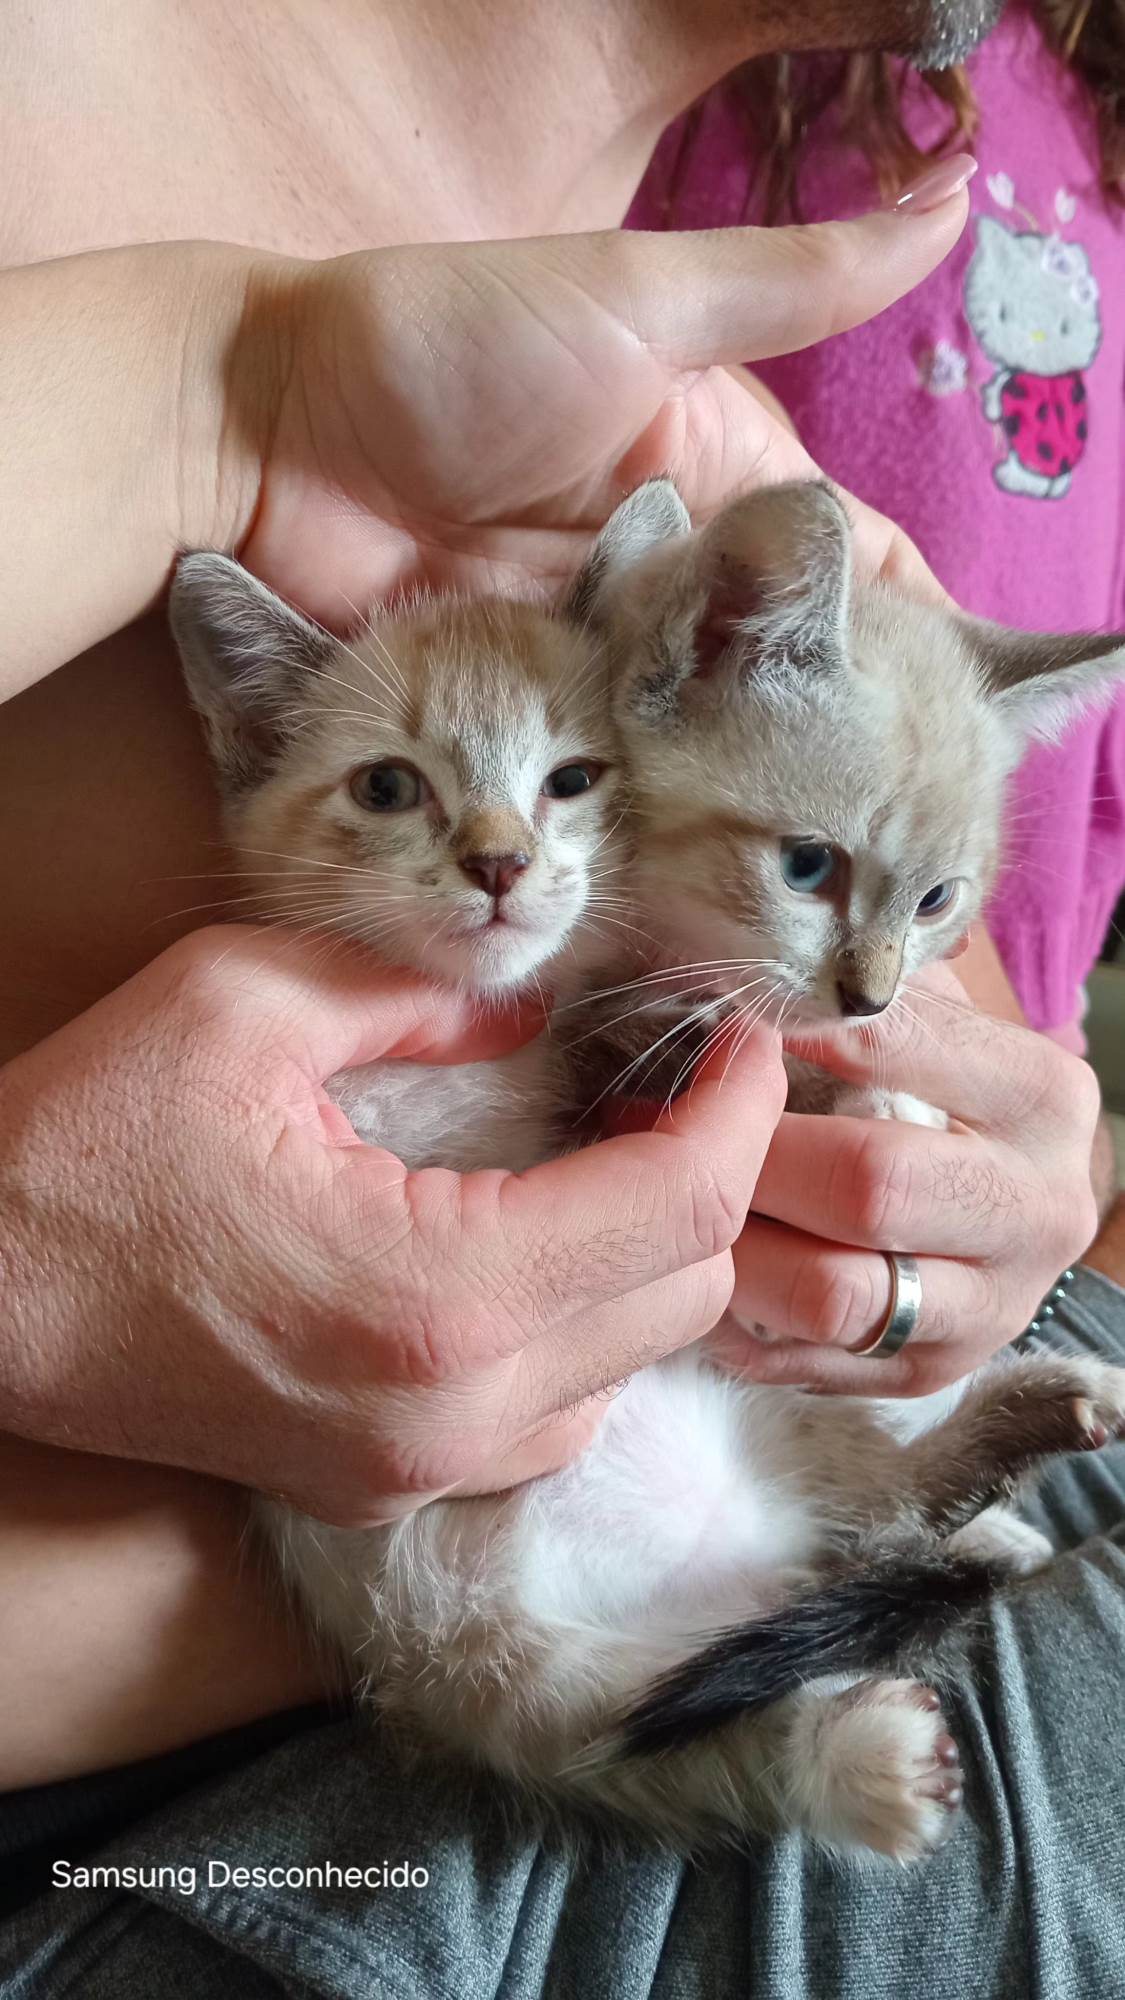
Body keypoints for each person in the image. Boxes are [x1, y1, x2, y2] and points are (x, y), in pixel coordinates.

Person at [0, 0, 1117, 1990]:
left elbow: (866, 954)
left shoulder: (738, 307)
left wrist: (1000, 1170)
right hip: (323, 1772)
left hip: (819, 1477)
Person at [628, 0, 1125, 1053]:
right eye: (810, 865)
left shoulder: (1084, 82)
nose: (873, 981)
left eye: (934, 903)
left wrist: (1043, 1032)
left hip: (1023, 1013)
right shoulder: (689, 94)